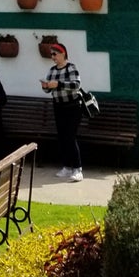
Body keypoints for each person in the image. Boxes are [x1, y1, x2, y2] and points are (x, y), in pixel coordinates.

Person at [40, 42, 84, 182]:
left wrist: (58, 84)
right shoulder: (52, 70)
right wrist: (46, 86)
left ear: (63, 53)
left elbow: (76, 84)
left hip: (72, 106)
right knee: (62, 137)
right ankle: (67, 166)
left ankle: (78, 169)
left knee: (70, 136)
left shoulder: (71, 67)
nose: (53, 57)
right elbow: (48, 90)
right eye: (51, 54)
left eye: (55, 54)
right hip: (58, 106)